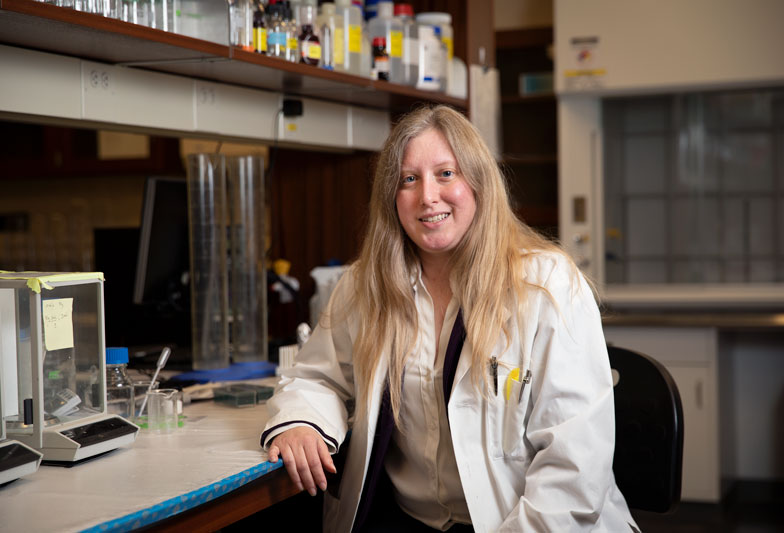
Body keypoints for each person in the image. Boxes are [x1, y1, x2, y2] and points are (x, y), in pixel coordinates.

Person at [261, 105, 638, 532]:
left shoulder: (547, 285)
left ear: (478, 183)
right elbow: (316, 376)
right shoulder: (365, 285)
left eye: (446, 173)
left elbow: (574, 465)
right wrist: (301, 422)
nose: (427, 196)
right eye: (409, 179)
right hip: (411, 520)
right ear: (392, 197)